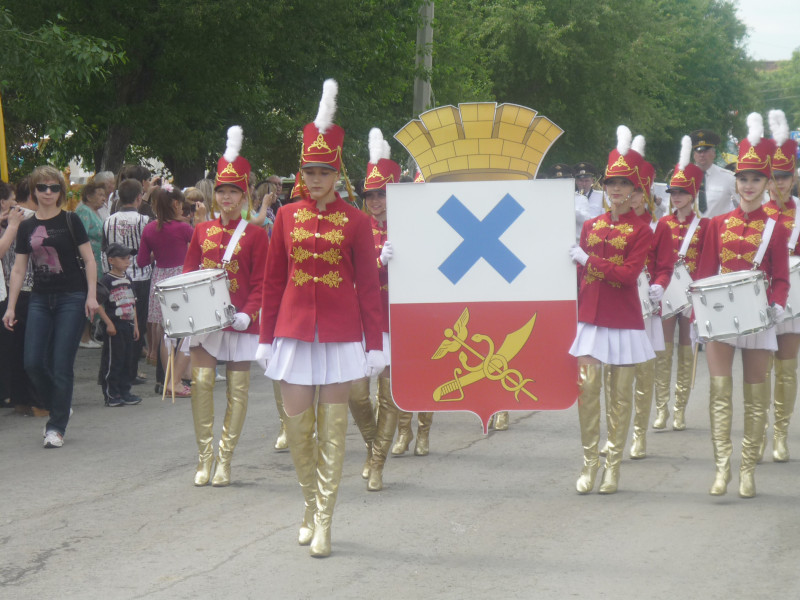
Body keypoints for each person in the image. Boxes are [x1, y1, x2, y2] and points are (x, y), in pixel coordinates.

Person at [257, 80, 385, 557]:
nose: (314, 180)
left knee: (333, 432)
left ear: (337, 174)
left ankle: (326, 520)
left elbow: (369, 289)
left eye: (323, 172)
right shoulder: (286, 217)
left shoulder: (356, 221)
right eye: (308, 172)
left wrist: (375, 344)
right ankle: (310, 505)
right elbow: (273, 282)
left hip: (339, 335)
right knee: (298, 431)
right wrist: (266, 337)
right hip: (291, 334)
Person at [695, 112, 789, 498]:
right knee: (719, 392)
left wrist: (779, 305)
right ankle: (722, 468)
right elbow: (702, 274)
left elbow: (781, 277)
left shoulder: (776, 227)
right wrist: (695, 313)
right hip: (720, 318)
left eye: (756, 179)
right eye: (743, 178)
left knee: (755, 397)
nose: (748, 185)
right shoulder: (716, 225)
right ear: (735, 182)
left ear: (767, 184)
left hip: (758, 318)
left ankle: (748, 469)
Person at [568, 125, 655, 494]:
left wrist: (588, 260)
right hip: (590, 318)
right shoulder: (590, 225)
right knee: (587, 392)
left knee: (619, 399)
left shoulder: (643, 231)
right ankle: (590, 462)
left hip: (623, 320)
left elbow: (628, 274)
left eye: (624, 185)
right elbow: (579, 277)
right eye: (611, 183)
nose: (616, 190)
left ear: (636, 191)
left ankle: (614, 467)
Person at [183, 126, 268, 487]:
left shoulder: (255, 234)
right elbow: (187, 273)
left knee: (237, 389)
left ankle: (226, 460)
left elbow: (264, 281)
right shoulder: (201, 231)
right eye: (222, 191)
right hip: (206, 320)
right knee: (201, 381)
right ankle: (204, 457)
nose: (227, 197)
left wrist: (250, 311)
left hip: (241, 321)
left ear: (243, 194)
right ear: (214, 195)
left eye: (234, 191)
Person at [2, 165, 99, 448]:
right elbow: (19, 270)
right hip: (40, 298)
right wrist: (11, 306)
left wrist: (91, 295)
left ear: (61, 191)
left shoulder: (70, 220)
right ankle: (59, 403)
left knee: (60, 364)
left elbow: (90, 260)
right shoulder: (27, 226)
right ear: (33, 190)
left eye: (53, 187)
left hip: (72, 296)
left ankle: (55, 426)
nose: (47, 192)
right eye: (42, 187)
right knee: (32, 362)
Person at [346, 128, 404, 490]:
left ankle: (378, 462)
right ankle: (373, 447)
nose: (375, 201)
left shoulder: (411, 227)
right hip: (363, 320)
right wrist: (376, 261)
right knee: (355, 393)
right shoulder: (355, 227)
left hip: (397, 320)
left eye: (381, 194)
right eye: (370, 195)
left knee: (389, 395)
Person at [653, 136, 708, 431]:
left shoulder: (705, 225)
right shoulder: (663, 224)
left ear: (693, 194)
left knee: (686, 353)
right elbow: (655, 260)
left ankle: (680, 409)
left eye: (682, 192)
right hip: (666, 294)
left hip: (691, 295)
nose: (676, 197)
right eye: (673, 192)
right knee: (663, 353)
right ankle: (661, 408)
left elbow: (710, 262)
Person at [760, 109, 800, 462]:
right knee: (760, 368)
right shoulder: (757, 212)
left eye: (785, 176)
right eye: (774, 177)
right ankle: (758, 433)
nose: (780, 183)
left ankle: (781, 434)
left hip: (793, 299)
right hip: (761, 297)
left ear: (794, 176)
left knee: (787, 367)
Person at [137, 185, 194, 394]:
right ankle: (179, 378)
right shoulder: (184, 229)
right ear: (176, 204)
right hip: (181, 277)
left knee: (166, 334)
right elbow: (200, 246)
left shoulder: (150, 229)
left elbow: (142, 261)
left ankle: (167, 378)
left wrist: (157, 253)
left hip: (160, 278)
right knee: (186, 331)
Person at [103, 179, 151, 384]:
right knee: (137, 324)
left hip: (114, 276)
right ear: (139, 197)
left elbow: (104, 249)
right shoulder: (144, 220)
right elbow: (149, 249)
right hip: (139, 275)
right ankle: (130, 372)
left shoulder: (108, 220)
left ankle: (119, 370)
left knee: (119, 323)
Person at [97, 243, 140, 407]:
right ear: (111, 260)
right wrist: (108, 323)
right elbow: (99, 304)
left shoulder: (128, 279)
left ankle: (125, 391)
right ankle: (111, 393)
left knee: (127, 359)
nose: (127, 262)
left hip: (128, 324)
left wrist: (135, 325)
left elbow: (133, 303)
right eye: (123, 258)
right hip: (115, 324)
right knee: (113, 360)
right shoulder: (106, 280)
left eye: (128, 258)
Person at [75, 180, 106, 348]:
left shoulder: (94, 212)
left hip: (96, 260)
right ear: (89, 196)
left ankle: (89, 334)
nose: (103, 198)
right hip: (88, 260)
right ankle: (84, 337)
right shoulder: (84, 212)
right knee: (89, 294)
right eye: (100, 195)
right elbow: (82, 236)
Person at [690, 129, 737, 218]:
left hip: (717, 230)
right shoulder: (685, 177)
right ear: (694, 155)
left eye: (706, 151)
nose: (702, 155)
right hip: (691, 230)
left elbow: (745, 202)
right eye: (698, 151)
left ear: (714, 153)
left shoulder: (728, 177)